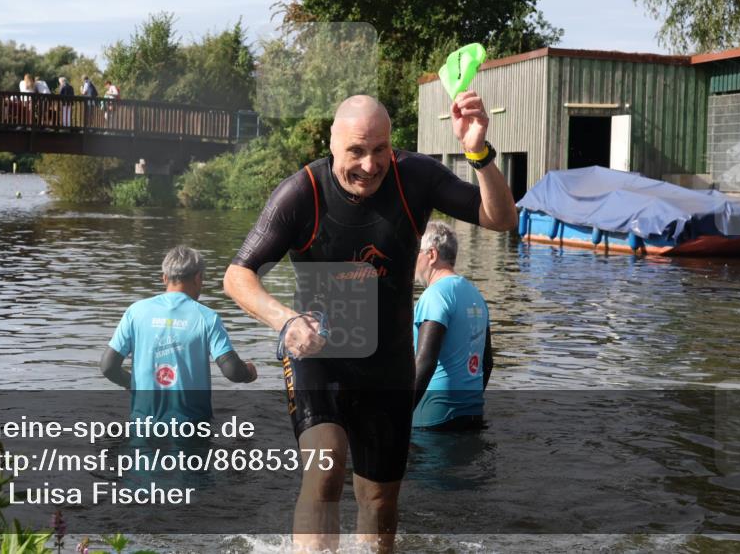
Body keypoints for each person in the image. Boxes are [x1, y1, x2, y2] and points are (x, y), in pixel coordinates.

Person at [223, 93, 516, 553]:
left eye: (380, 149)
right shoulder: (302, 193)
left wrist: (478, 154)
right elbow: (237, 276)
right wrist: (285, 320)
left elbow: (500, 219)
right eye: (356, 151)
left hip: (386, 363)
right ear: (332, 143)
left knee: (378, 500)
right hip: (317, 357)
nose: (369, 164)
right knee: (326, 468)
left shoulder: (415, 177)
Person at [101, 246, 258, 423]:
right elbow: (233, 371)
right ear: (199, 278)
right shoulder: (207, 318)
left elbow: (108, 367)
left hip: (143, 425)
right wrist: (249, 373)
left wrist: (131, 384)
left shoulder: (135, 312)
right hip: (192, 427)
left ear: (165, 278)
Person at [412, 220, 492, 432]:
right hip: (472, 412)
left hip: (433, 417)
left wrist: (399, 415)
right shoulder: (476, 296)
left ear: (431, 255)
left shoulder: (435, 296)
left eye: (415, 251)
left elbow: (425, 363)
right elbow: (488, 362)